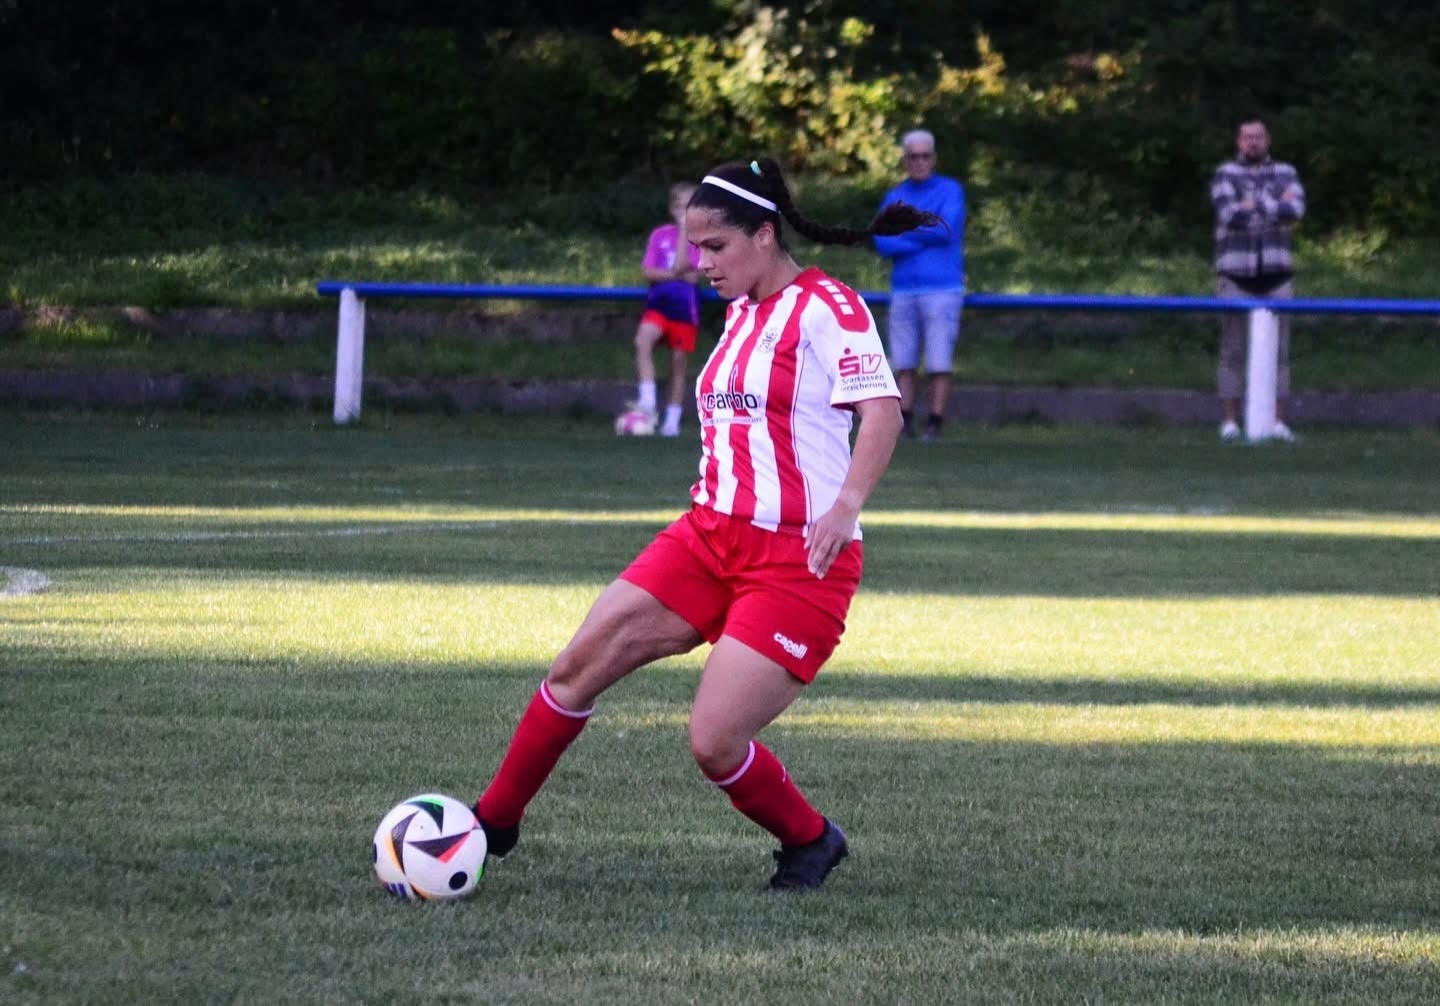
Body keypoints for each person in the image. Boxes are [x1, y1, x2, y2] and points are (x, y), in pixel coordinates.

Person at [472, 158, 938, 892]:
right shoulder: (740, 312)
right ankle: (491, 823)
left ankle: (812, 839)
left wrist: (846, 505)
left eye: (715, 247)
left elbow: (882, 412)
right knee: (576, 665)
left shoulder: (828, 306)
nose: (701, 264)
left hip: (798, 560)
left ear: (763, 235)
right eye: (695, 249)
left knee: (714, 741)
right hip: (708, 535)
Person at [1211, 115, 1306, 441]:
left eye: (1259, 136)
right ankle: (1229, 423)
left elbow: (1295, 211)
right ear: (1239, 142)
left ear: (1268, 140)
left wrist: (1255, 204)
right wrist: (1274, 205)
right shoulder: (1225, 173)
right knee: (1232, 351)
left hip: (1278, 277)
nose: (1253, 142)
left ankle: (1278, 423)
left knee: (1280, 354)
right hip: (1236, 276)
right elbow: (1230, 215)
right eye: (1247, 137)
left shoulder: (1287, 172)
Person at [873, 129, 966, 442]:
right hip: (903, 289)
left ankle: (935, 423)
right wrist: (923, 231)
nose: (919, 161)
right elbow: (882, 240)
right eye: (913, 156)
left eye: (925, 155)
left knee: (939, 361)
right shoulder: (895, 196)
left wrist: (904, 231)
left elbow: (946, 229)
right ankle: (905, 420)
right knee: (903, 361)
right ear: (905, 159)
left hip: (942, 288)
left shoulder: (950, 190)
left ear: (934, 158)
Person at [632, 182, 703, 437]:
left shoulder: (701, 240)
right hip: (659, 304)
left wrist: (685, 233)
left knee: (678, 362)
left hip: (684, 308)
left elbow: (688, 269)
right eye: (680, 207)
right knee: (642, 341)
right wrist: (675, 274)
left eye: (690, 207)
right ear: (672, 209)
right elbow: (649, 271)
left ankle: (672, 421)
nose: (684, 212)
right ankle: (648, 400)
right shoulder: (659, 235)